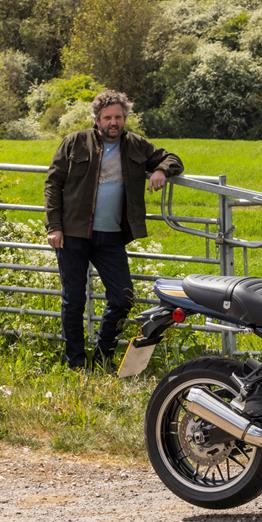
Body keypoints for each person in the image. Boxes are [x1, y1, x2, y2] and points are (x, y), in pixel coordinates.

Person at [44, 90, 183, 370]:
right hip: (73, 234)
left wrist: (161, 171)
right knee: (74, 300)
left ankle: (103, 352)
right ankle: (76, 362)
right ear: (97, 119)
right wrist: (54, 226)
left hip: (111, 236)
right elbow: (53, 184)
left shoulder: (135, 145)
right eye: (107, 117)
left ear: (125, 118)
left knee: (122, 297)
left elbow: (172, 158)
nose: (113, 122)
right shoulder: (74, 142)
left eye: (118, 117)